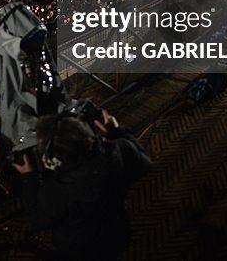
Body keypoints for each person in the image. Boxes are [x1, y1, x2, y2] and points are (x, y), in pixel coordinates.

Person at [12, 108, 150, 260]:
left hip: (77, 248)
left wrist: (29, 178)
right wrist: (117, 132)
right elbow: (144, 164)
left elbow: (39, 219)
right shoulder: (119, 151)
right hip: (114, 233)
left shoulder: (58, 190)